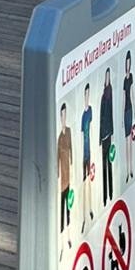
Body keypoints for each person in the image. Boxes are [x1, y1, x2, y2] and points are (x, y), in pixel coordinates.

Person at [58, 102, 73, 253]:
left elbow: (71, 151)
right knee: (62, 211)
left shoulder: (68, 132)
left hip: (68, 176)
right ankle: (62, 243)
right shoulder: (59, 139)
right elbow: (57, 160)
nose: (64, 117)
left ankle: (68, 237)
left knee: (68, 208)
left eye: (65, 114)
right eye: (62, 115)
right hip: (62, 179)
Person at [101, 69, 115, 207]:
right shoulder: (103, 97)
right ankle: (105, 197)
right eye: (106, 77)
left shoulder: (110, 95)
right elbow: (101, 117)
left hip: (109, 133)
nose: (107, 79)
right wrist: (100, 137)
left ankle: (111, 192)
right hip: (103, 136)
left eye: (108, 77)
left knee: (109, 163)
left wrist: (112, 131)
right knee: (103, 166)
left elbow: (111, 113)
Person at [81, 83, 94, 229]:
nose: (87, 96)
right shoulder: (83, 115)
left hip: (89, 150)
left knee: (89, 180)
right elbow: (81, 135)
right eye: (86, 94)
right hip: (83, 153)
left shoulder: (90, 111)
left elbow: (91, 129)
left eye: (88, 94)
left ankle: (90, 209)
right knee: (84, 182)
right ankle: (84, 217)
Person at [125, 51, 135, 184]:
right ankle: (127, 171)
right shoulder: (124, 80)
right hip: (125, 111)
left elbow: (132, 93)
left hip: (130, 110)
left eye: (129, 63)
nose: (127, 66)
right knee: (126, 142)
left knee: (130, 142)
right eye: (126, 64)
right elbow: (124, 98)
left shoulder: (131, 77)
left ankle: (131, 168)